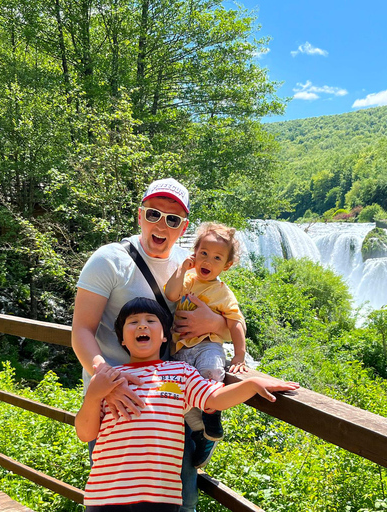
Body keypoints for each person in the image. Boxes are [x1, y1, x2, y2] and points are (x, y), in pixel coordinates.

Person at [71, 178, 228, 512]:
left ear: (182, 227)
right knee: (116, 498)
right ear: (139, 216)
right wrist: (107, 382)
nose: (162, 225)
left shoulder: (191, 266)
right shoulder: (109, 261)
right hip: (116, 406)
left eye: (172, 219)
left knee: (179, 499)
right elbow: (81, 331)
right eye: (154, 214)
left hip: (170, 406)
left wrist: (216, 324)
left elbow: (227, 318)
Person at [75, 297, 299, 510]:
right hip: (105, 495)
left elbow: (214, 399)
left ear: (165, 336)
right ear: (122, 339)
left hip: (160, 496)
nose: (142, 326)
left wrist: (252, 384)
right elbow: (86, 433)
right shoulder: (108, 379)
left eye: (151, 321)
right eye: (133, 322)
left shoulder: (180, 373)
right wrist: (94, 395)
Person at [163, 222, 246, 465]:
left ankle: (212, 415)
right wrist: (182, 268)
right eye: (204, 254)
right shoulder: (187, 279)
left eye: (217, 258)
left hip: (208, 344)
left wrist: (240, 354)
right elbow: (171, 294)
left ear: (226, 265)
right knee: (179, 394)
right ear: (194, 253)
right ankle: (204, 434)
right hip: (179, 350)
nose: (208, 261)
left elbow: (236, 322)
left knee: (211, 372)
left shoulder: (223, 292)